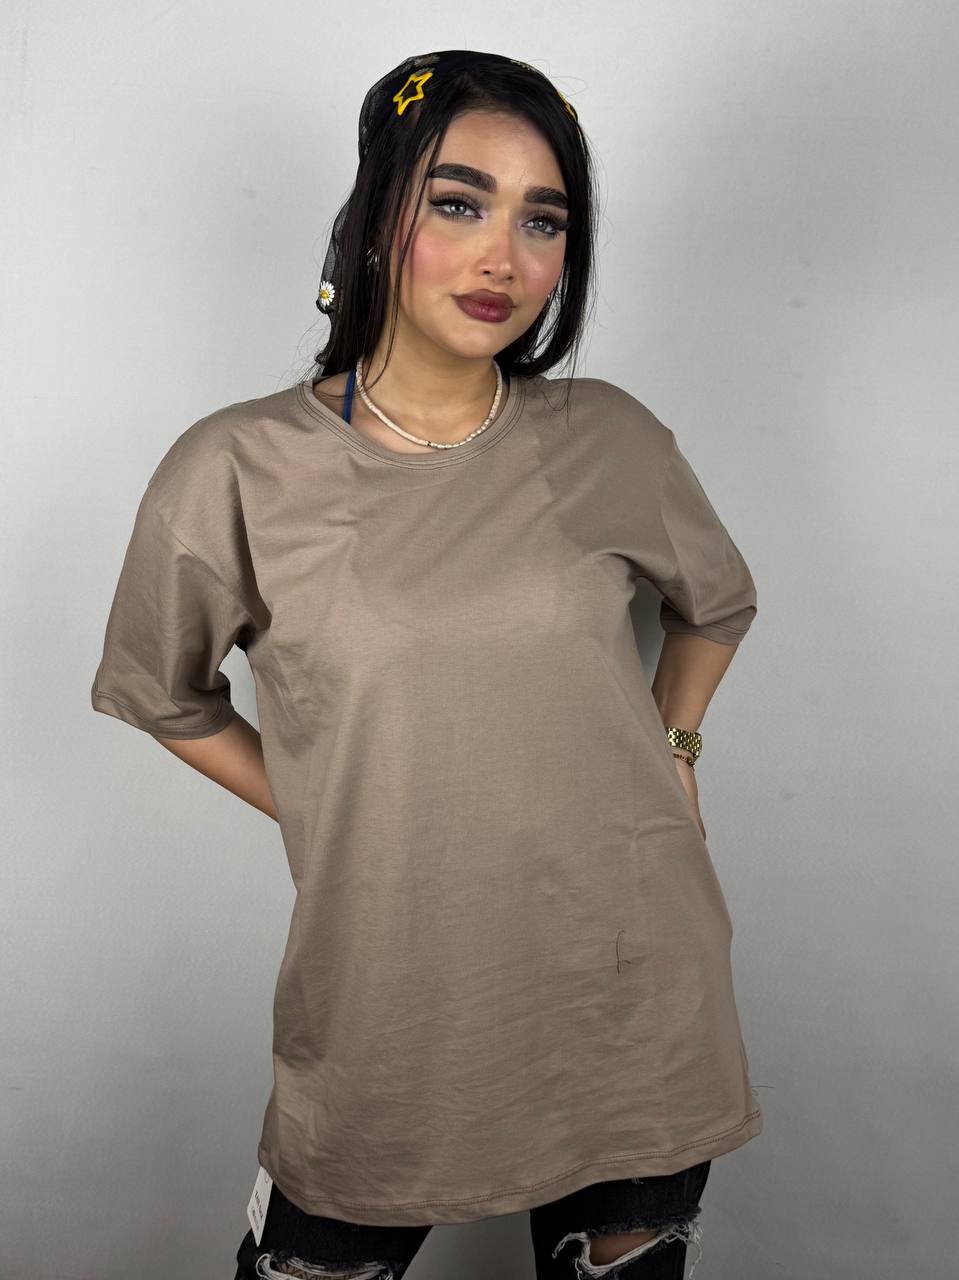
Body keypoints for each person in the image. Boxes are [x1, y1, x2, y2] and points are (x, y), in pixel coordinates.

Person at [90, 50, 763, 1279]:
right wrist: (322, 794)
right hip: (388, 1007)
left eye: (541, 220)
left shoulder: (607, 435)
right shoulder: (236, 468)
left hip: (631, 987)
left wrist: (675, 744)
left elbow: (713, 603)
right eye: (458, 203)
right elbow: (161, 693)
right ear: (375, 219)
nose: (502, 256)